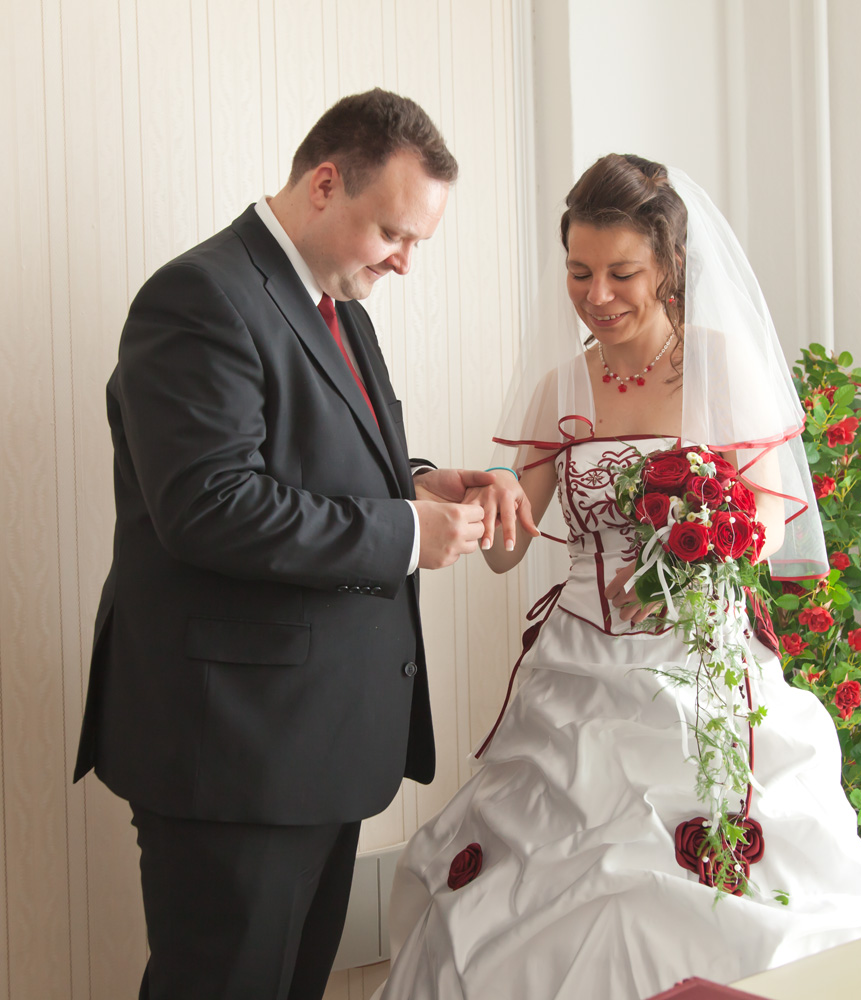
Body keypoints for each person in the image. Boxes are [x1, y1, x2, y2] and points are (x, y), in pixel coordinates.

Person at [371, 154, 861, 999]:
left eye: (622, 272)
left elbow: (774, 514)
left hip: (701, 665)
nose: (598, 296)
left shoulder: (720, 363)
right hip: (576, 673)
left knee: (709, 877)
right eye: (579, 271)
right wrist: (481, 507)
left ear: (669, 266)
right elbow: (510, 549)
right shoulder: (561, 385)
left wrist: (705, 545)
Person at [72, 88, 534, 1000]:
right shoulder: (198, 296)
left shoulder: (337, 302)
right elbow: (209, 504)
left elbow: (317, 461)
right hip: (232, 750)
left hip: (313, 743)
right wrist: (407, 533)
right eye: (394, 234)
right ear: (326, 183)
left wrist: (418, 480)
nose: (405, 263)